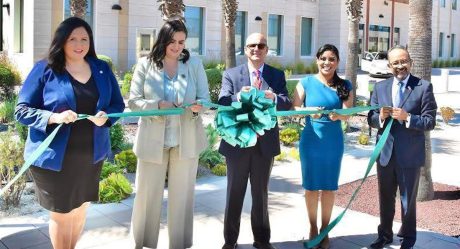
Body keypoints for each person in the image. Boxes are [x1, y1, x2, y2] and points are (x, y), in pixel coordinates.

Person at [15, 17, 125, 249]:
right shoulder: (45, 69)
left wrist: (106, 116)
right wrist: (53, 117)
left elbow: (117, 105)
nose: (79, 44)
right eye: (72, 38)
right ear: (61, 41)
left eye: (84, 38)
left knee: (81, 209)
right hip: (54, 160)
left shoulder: (102, 69)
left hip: (90, 156)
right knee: (63, 214)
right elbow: (21, 111)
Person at [128, 19, 210, 249]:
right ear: (163, 40)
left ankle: (180, 245)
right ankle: (143, 244)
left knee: (183, 199)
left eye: (181, 42)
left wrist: (198, 106)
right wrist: (158, 105)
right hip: (152, 142)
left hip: (187, 142)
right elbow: (133, 102)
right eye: (172, 41)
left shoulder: (194, 64)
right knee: (146, 197)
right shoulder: (145, 64)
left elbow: (206, 99)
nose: (176, 46)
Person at [218, 33, 291, 249]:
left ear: (267, 49)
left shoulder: (276, 75)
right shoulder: (231, 74)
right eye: (252, 45)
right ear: (245, 48)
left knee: (260, 194)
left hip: (264, 145)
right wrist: (238, 96)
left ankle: (262, 240)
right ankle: (230, 241)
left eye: (261, 45)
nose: (256, 49)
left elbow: (286, 103)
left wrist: (275, 98)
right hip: (237, 144)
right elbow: (222, 100)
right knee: (234, 193)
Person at [367, 45, 437, 249]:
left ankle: (408, 238)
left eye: (404, 61)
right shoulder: (380, 88)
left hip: (409, 155)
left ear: (411, 62)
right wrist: (379, 117)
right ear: (389, 66)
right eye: (395, 62)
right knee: (385, 198)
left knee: (408, 201)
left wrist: (408, 118)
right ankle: (385, 235)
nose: (400, 66)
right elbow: (370, 118)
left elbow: (429, 121)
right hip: (385, 154)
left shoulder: (423, 87)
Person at [291, 44, 353, 249]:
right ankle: (312, 228)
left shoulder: (345, 85)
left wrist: (340, 115)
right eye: (323, 58)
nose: (327, 62)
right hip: (311, 139)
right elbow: (296, 109)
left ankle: (325, 230)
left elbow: (348, 112)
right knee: (311, 188)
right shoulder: (305, 82)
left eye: (332, 59)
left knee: (328, 188)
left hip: (333, 141)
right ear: (317, 60)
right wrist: (309, 111)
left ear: (337, 62)